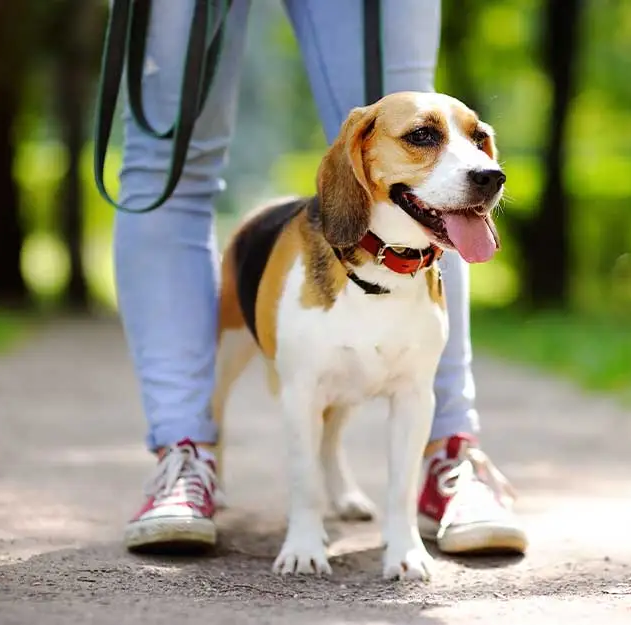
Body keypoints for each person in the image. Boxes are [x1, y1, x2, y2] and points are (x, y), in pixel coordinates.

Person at [115, 0, 527, 558]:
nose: (483, 166)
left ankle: (449, 451)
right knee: (167, 156)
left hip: (405, 288)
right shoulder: (342, 173)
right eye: (425, 140)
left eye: (476, 141)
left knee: (406, 90)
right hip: (304, 273)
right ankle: (184, 451)